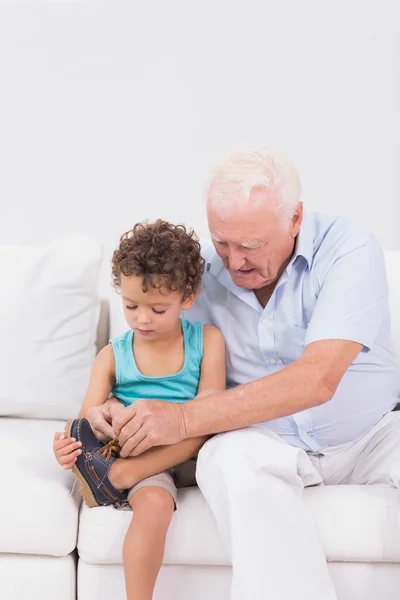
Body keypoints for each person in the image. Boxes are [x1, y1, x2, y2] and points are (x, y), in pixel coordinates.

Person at [85, 148, 400, 600]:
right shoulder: (202, 274)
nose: (234, 263)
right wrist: (114, 408)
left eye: (250, 246)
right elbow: (147, 354)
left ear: (295, 220)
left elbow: (318, 379)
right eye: (223, 242)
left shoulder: (349, 248)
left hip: (373, 434)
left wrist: (184, 419)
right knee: (227, 459)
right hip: (263, 440)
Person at [53, 219, 225, 600]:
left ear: (188, 296)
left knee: (211, 419)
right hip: (144, 451)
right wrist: (70, 445)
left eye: (158, 309)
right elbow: (85, 423)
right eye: (131, 306)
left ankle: (117, 477)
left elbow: (211, 413)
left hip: (195, 445)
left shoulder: (208, 341)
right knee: (153, 507)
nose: (142, 318)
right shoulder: (113, 354)